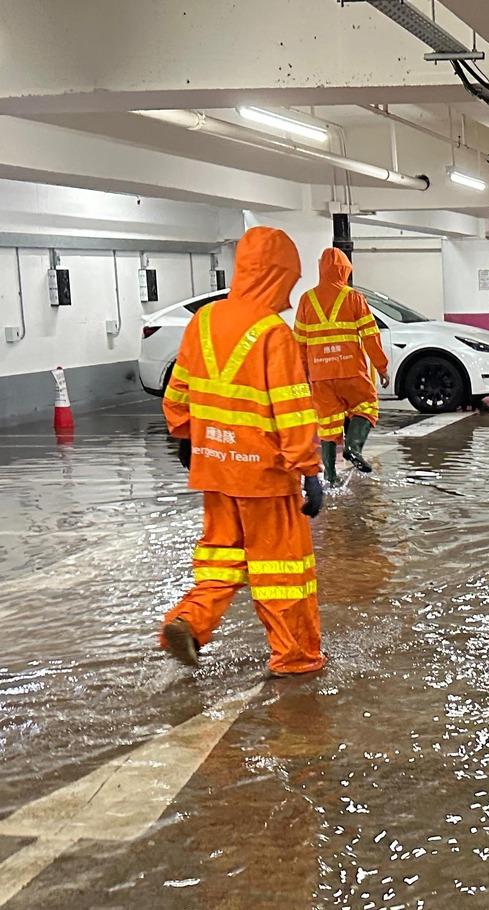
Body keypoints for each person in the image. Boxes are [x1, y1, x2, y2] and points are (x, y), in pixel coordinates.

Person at [159, 226, 327, 674]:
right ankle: (296, 656)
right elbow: (292, 411)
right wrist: (309, 471)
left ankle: (188, 621)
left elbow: (177, 395)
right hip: (265, 476)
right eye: (289, 282)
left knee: (221, 554)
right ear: (276, 276)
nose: (290, 295)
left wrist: (187, 437)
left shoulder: (203, 321)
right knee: (282, 571)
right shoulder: (273, 334)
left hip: (215, 469)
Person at [295, 247, 390, 484]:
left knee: (327, 423)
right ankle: (354, 449)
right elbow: (370, 335)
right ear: (345, 270)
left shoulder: (307, 300)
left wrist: (303, 374)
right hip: (350, 370)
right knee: (366, 405)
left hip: (320, 373)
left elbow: (299, 343)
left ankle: (329, 474)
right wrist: (381, 366)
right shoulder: (354, 297)